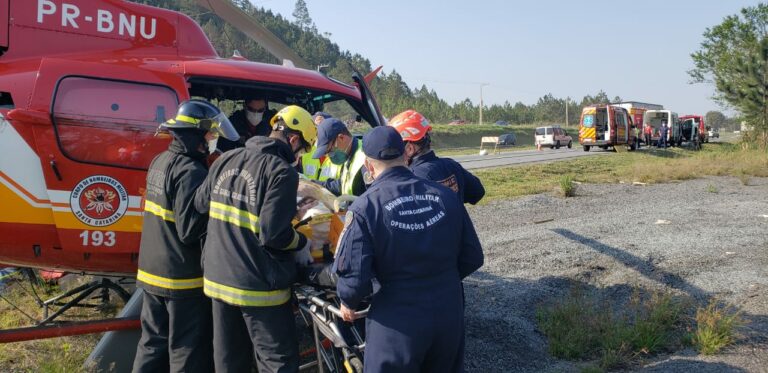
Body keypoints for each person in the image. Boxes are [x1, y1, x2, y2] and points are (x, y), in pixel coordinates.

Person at [334, 126, 484, 373]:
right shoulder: (446, 196)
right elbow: (472, 256)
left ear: (370, 168)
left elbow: (354, 279)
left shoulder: (365, 207)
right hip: (449, 313)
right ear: (405, 156)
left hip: (397, 322)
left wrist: (348, 300)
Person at [194, 105, 317, 373]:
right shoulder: (283, 172)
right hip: (258, 287)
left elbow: (201, 204)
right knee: (277, 363)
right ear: (294, 140)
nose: (300, 156)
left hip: (217, 279)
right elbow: (273, 235)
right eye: (304, 149)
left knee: (229, 362)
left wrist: (290, 212)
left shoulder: (227, 158)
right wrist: (301, 242)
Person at [133, 99, 239, 373]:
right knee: (186, 349)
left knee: (152, 344)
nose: (213, 139)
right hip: (180, 278)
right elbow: (189, 230)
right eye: (209, 134)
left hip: (150, 271)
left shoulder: (160, 160)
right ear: (195, 135)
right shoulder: (192, 171)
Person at [388, 110, 485, 204]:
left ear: (409, 149)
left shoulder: (412, 178)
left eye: (396, 149)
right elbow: (478, 193)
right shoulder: (451, 165)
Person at [311, 118, 367, 196]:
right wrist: (312, 184)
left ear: (341, 138)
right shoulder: (349, 155)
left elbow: (374, 196)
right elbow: (342, 185)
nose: (329, 156)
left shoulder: (365, 158)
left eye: (330, 150)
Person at [301, 112, 341, 181]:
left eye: (323, 129)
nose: (319, 133)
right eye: (316, 128)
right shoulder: (305, 152)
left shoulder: (341, 154)